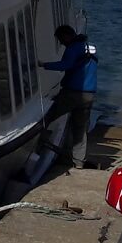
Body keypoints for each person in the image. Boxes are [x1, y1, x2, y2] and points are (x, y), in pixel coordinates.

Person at [38, 24, 97, 167]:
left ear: (66, 36)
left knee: (47, 116)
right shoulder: (89, 46)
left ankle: (35, 145)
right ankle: (78, 162)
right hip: (89, 94)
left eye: (60, 39)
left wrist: (43, 65)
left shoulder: (72, 48)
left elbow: (65, 65)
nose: (61, 43)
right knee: (80, 129)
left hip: (72, 93)